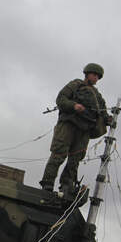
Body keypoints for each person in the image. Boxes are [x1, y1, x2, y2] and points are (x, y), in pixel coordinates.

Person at [40, 63, 109, 195]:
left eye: (98, 77)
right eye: (94, 75)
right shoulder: (75, 85)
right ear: (87, 74)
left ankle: (67, 185)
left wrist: (108, 119)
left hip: (84, 129)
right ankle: (47, 184)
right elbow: (61, 99)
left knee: (75, 159)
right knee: (58, 154)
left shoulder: (97, 96)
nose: (95, 78)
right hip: (69, 124)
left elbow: (103, 112)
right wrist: (74, 105)